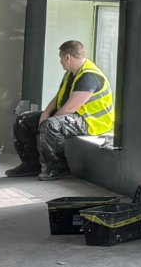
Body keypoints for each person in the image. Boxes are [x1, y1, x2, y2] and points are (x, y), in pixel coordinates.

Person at [9, 40, 114, 181]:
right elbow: (59, 96)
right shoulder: (71, 73)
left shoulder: (89, 76)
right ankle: (30, 164)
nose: (60, 62)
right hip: (75, 116)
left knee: (50, 125)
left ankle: (58, 167)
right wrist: (45, 113)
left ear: (67, 57)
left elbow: (70, 108)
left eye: (60, 58)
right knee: (23, 120)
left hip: (92, 122)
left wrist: (47, 122)